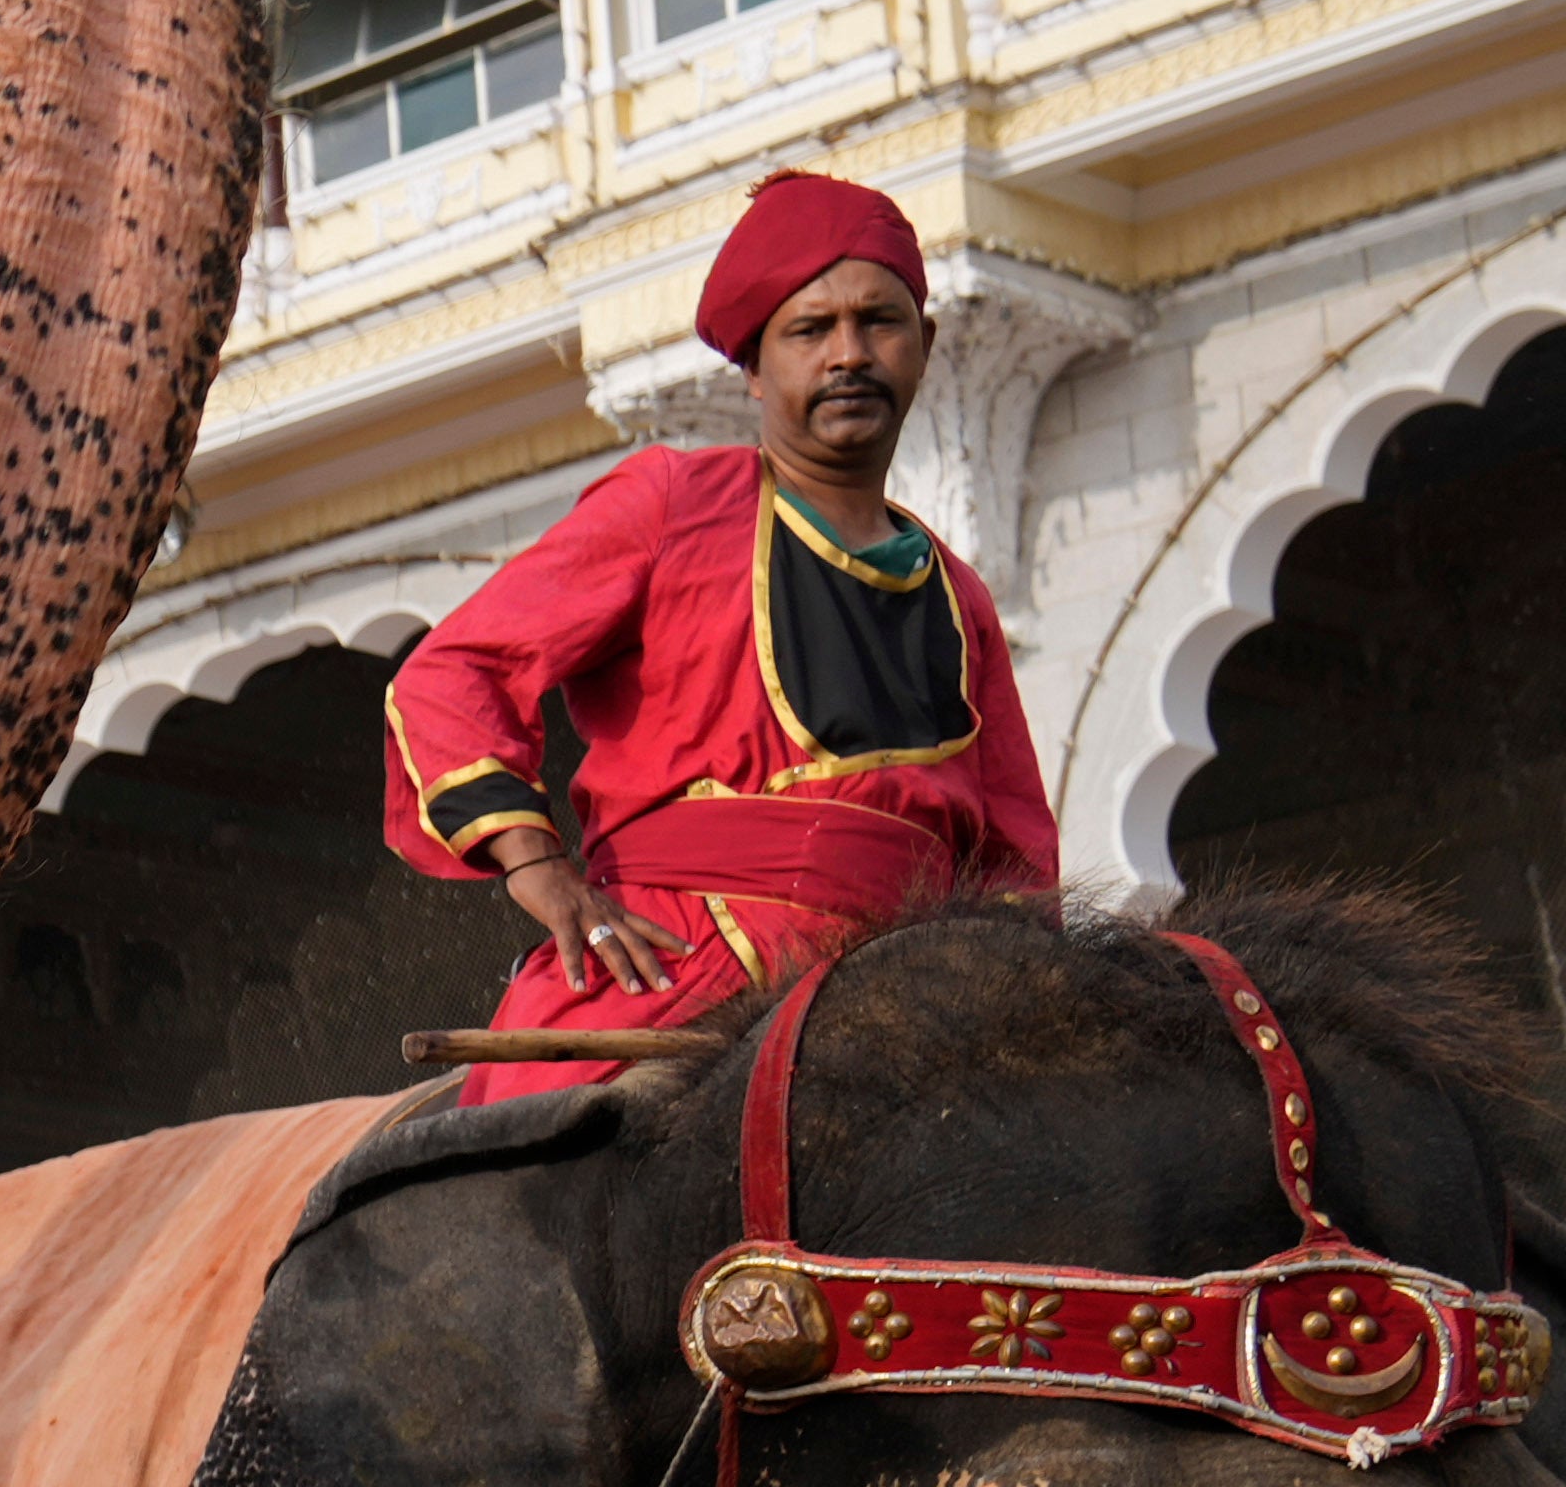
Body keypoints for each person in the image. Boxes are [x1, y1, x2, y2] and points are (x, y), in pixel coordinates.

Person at [379, 167, 1057, 1094]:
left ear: (924, 344)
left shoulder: (959, 593)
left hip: (919, 997)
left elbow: (1015, 858)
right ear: (753, 368)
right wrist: (536, 864)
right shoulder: (673, 504)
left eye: (878, 322)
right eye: (810, 330)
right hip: (678, 974)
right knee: (544, 1164)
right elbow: (450, 673)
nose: (848, 354)